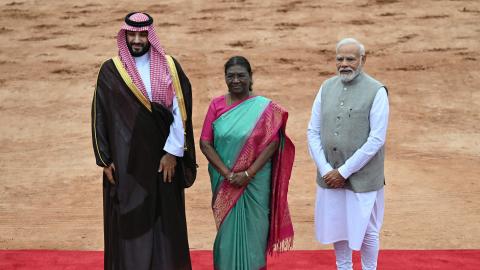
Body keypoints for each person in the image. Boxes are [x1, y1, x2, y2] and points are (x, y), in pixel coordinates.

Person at [91, 12, 197, 270]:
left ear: (151, 35)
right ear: (125, 34)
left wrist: (172, 153)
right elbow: (100, 115)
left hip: (163, 162)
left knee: (165, 223)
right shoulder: (111, 70)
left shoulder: (170, 66)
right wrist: (105, 160)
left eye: (142, 35)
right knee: (129, 222)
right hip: (126, 163)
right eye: (132, 34)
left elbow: (180, 114)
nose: (137, 40)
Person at [199, 56, 295, 270]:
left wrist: (248, 174)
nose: (235, 80)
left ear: (250, 77)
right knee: (226, 237)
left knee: (255, 233)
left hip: (255, 184)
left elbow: (273, 143)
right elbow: (205, 143)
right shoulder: (216, 105)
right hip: (225, 184)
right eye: (230, 76)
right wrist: (228, 175)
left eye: (241, 75)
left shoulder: (265, 108)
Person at [307, 38, 389, 270]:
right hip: (329, 175)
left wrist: (343, 171)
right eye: (340, 59)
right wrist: (326, 170)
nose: (344, 64)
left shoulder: (377, 91)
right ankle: (343, 267)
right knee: (338, 226)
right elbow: (312, 131)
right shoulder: (326, 87)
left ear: (363, 60)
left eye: (350, 59)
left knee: (368, 230)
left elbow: (376, 139)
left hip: (364, 177)